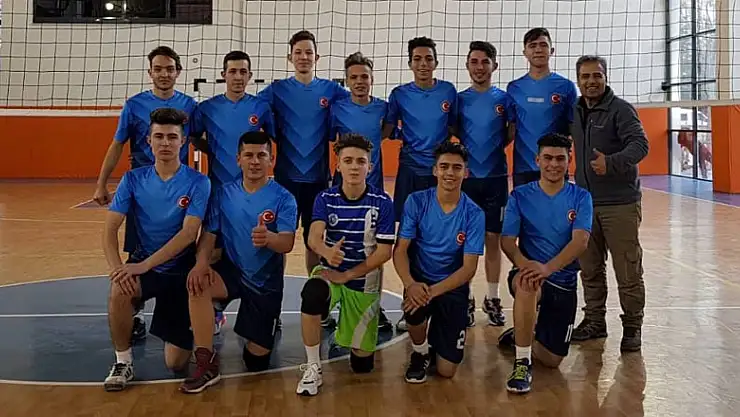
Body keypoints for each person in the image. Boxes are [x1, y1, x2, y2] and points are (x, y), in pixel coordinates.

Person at [179, 131, 297, 394]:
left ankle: (259, 324)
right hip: (231, 271)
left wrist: (269, 238)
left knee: (256, 362)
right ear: (238, 159)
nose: (255, 161)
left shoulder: (284, 198)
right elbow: (209, 235)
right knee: (198, 283)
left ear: (271, 160)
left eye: (261, 155)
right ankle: (206, 361)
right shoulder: (223, 194)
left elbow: (287, 243)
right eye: (249, 155)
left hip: (265, 284)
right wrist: (201, 263)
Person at [93, 46, 198, 341]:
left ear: (178, 72)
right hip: (141, 190)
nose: (164, 74)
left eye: (169, 69)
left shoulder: (190, 106)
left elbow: (202, 140)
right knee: (140, 246)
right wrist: (101, 183)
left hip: (178, 188)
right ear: (150, 72)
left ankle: (198, 309)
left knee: (183, 248)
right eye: (158, 69)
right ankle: (134, 309)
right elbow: (117, 143)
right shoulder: (134, 105)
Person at [102, 108, 211, 392]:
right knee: (119, 289)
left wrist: (143, 266)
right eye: (159, 136)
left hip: (179, 271)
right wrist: (117, 269)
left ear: (183, 141)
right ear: (148, 141)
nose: (165, 143)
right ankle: (123, 361)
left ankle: (208, 316)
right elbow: (109, 230)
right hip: (144, 264)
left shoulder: (198, 182)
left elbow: (189, 234)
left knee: (176, 363)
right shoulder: (132, 179)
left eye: (172, 137)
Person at [296, 133, 395, 396]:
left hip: (364, 281)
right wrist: (326, 252)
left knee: (362, 366)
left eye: (360, 161)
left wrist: (349, 273)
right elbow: (313, 238)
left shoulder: (383, 202)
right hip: (331, 273)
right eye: (348, 160)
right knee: (312, 292)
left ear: (369, 167)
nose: (354, 166)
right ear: (337, 165)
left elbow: (385, 252)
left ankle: (347, 330)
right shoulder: (325, 198)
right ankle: (313, 366)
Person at [499, 132, 593, 394]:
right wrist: (526, 265)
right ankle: (522, 362)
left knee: (552, 361)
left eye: (560, 159)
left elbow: (580, 241)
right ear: (537, 160)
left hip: (563, 281)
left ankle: (521, 333)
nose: (554, 164)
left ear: (569, 160)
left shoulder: (581, 197)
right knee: (527, 284)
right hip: (529, 273)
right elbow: (507, 241)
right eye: (548, 158)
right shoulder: (520, 195)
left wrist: (548, 268)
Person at [190, 50, 276, 334]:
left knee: (264, 249)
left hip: (255, 195)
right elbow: (194, 138)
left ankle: (269, 310)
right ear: (223, 75)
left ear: (250, 76)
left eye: (243, 72)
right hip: (219, 194)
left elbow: (270, 143)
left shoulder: (261, 107)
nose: (238, 77)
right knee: (214, 251)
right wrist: (213, 150)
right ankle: (215, 309)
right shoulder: (207, 108)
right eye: (233, 71)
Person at [569, 55, 649, 352]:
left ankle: (632, 327)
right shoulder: (575, 111)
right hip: (586, 203)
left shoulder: (621, 110)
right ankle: (594, 321)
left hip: (620, 203)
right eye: (586, 76)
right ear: (578, 80)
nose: (591, 81)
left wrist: (611, 163)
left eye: (597, 75)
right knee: (589, 267)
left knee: (628, 270)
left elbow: (640, 145)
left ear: (605, 77)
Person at [257, 30, 349, 278]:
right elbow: (249, 107)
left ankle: (315, 292)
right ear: (290, 58)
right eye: (298, 52)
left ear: (317, 57)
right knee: (280, 240)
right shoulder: (277, 90)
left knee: (314, 240)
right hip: (285, 180)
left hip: (318, 180)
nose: (303, 57)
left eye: (308, 52)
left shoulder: (332, 90)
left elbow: (357, 106)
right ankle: (273, 294)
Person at [393, 141, 484, 384]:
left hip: (451, 286)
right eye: (444, 166)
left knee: (447, 371)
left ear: (466, 172)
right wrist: (411, 285)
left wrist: (430, 293)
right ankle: (420, 352)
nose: (450, 173)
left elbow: (469, 268)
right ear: (435, 170)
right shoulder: (416, 201)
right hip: (420, 280)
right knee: (414, 308)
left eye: (457, 167)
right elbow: (400, 251)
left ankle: (439, 337)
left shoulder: (474, 214)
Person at [384, 36, 458, 332]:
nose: (423, 64)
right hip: (410, 174)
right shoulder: (399, 95)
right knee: (409, 239)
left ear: (436, 62)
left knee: (444, 236)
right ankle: (411, 304)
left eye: (428, 58)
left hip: (440, 174)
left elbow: (455, 128)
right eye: (417, 59)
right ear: (410, 63)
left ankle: (453, 300)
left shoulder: (448, 91)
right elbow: (387, 130)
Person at [329, 51, 393, 331]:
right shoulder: (337, 109)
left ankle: (374, 307)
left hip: (374, 188)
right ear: (346, 81)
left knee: (375, 248)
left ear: (372, 79)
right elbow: (331, 139)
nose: (359, 81)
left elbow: (386, 132)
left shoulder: (383, 108)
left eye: (364, 76)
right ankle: (340, 301)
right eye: (353, 77)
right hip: (343, 188)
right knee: (342, 244)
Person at [456, 40, 511, 328]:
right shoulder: (459, 100)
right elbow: (454, 131)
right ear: (467, 66)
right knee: (465, 240)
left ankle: (492, 297)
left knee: (493, 240)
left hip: (496, 179)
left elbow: (510, 133)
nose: (479, 67)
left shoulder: (504, 99)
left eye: (485, 62)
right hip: (466, 182)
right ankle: (465, 299)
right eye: (474, 62)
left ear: (494, 66)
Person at [506, 27, 578, 187]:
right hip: (523, 169)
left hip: (555, 168)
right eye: (532, 45)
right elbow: (511, 129)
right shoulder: (514, 88)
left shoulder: (566, 87)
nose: (538, 49)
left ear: (551, 50)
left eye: (543, 45)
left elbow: (574, 128)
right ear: (525, 53)